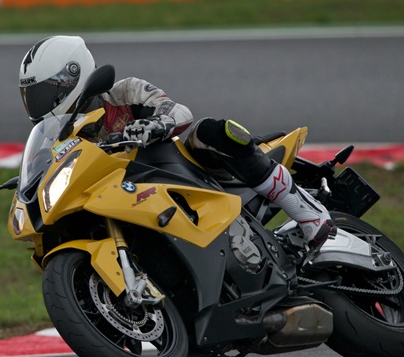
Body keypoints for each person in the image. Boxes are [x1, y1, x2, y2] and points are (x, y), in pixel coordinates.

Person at [18, 35, 335, 251]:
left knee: (212, 131)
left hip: (170, 174)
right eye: (31, 96)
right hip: (120, 201)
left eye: (44, 92)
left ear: (73, 76)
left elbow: (179, 111)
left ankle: (306, 210)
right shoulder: (56, 138)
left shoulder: (124, 93)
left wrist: (152, 124)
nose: (38, 103)